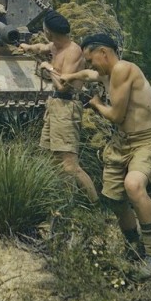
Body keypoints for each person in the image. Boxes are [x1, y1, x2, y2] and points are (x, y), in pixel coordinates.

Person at [59, 33, 151, 269]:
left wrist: (97, 104)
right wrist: (71, 75)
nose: (90, 65)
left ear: (104, 53)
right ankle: (133, 246)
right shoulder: (108, 73)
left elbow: (116, 116)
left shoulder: (122, 69)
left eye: (90, 59)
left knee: (133, 186)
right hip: (122, 144)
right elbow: (89, 75)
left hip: (145, 142)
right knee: (115, 198)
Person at [18, 11, 99, 204]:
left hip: (67, 105)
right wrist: (28, 47)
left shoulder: (73, 51)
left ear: (49, 31)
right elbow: (41, 47)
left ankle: (94, 204)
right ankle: (66, 202)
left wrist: (48, 68)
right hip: (55, 105)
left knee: (70, 165)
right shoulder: (55, 45)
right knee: (52, 158)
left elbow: (63, 84)